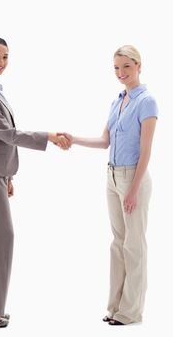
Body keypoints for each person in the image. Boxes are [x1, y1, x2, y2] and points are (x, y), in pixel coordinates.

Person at [0, 37, 70, 328]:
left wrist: (9, 175)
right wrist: (48, 136)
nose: (1, 62)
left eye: (5, 57)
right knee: (3, 236)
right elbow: (6, 133)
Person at [63, 45, 158, 325]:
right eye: (116, 67)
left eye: (126, 66)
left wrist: (133, 189)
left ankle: (131, 312)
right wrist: (75, 138)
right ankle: (115, 307)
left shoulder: (147, 101)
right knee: (117, 244)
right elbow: (105, 141)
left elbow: (146, 150)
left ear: (139, 65)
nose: (121, 73)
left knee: (134, 245)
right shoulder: (117, 101)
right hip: (112, 176)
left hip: (133, 178)